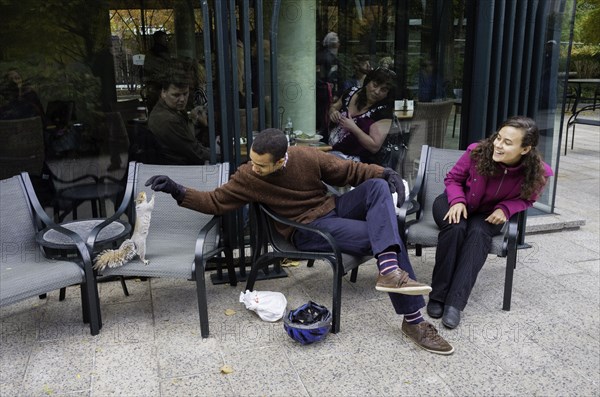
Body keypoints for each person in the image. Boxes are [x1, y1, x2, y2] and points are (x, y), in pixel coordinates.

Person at [145, 128, 455, 355]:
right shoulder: (247, 177)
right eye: (252, 161)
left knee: (375, 187)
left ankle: (388, 269)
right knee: (386, 235)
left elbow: (350, 170)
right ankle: (413, 319)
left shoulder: (307, 157)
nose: (254, 168)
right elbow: (214, 201)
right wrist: (177, 190)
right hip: (306, 229)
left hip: (333, 209)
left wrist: (383, 171)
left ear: (282, 159)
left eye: (261, 164)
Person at [427, 116, 553, 329]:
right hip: (455, 202)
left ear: (525, 149)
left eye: (507, 142)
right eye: (499, 138)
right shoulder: (477, 152)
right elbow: (453, 179)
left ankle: (455, 303)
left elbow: (527, 199)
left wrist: (506, 208)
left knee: (477, 235)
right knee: (456, 227)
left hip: (489, 215)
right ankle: (438, 296)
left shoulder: (538, 173)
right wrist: (457, 201)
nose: (498, 145)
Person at [328, 67, 395, 164]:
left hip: (358, 163)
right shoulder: (351, 93)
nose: (377, 91)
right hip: (331, 150)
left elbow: (374, 147)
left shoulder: (383, 113)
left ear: (387, 94)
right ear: (367, 82)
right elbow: (334, 107)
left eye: (383, 90)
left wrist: (353, 128)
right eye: (375, 85)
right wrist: (333, 112)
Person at [148, 76, 211, 165]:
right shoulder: (168, 120)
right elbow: (196, 153)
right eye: (176, 95)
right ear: (163, 93)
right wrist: (221, 157)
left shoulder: (172, 111)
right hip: (180, 169)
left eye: (185, 94)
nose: (182, 99)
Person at [316, 32, 340, 135]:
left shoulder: (320, 55)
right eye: (337, 42)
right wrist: (334, 93)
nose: (339, 44)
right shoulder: (329, 58)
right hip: (325, 93)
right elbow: (331, 77)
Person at [143, 31, 172, 112]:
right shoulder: (154, 54)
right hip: (156, 87)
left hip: (161, 86)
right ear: (158, 39)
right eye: (164, 38)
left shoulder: (163, 52)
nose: (166, 40)